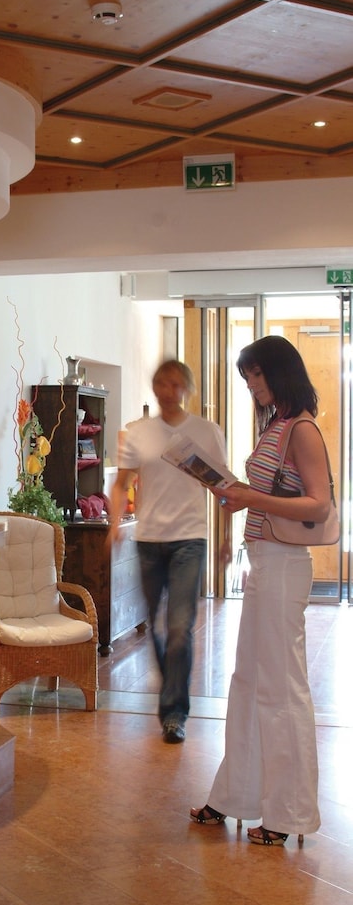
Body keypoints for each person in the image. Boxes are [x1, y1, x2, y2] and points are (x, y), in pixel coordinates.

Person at [190, 335, 331, 846]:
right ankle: (234, 797)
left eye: (256, 374)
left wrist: (251, 497)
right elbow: (271, 493)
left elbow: (319, 504)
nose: (251, 384)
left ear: (279, 371)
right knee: (248, 681)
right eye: (247, 377)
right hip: (265, 563)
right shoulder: (276, 424)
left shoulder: (302, 428)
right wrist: (237, 494)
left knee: (281, 688)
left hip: (285, 565)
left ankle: (287, 814)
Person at [110, 360, 230, 744]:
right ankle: (171, 690)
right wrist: (114, 524)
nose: (168, 391)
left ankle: (174, 713)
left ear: (188, 389)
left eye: (177, 384)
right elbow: (121, 484)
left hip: (190, 540)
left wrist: (227, 538)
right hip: (149, 542)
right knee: (158, 628)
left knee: (179, 628)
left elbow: (222, 489)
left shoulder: (207, 432)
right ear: (155, 387)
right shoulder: (140, 432)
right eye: (162, 383)